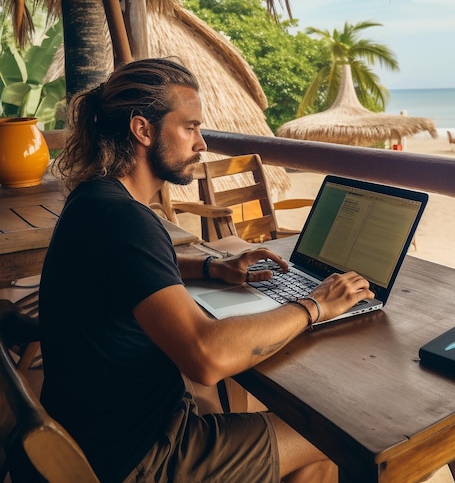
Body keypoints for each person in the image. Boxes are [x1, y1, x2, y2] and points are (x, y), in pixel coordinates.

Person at [38, 57, 375, 483]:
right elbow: (207, 356)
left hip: (94, 431)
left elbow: (129, 270)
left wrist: (213, 269)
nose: (201, 143)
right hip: (138, 456)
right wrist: (315, 304)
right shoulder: (126, 220)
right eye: (190, 127)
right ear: (143, 130)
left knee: (212, 399)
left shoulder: (95, 199)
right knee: (329, 439)